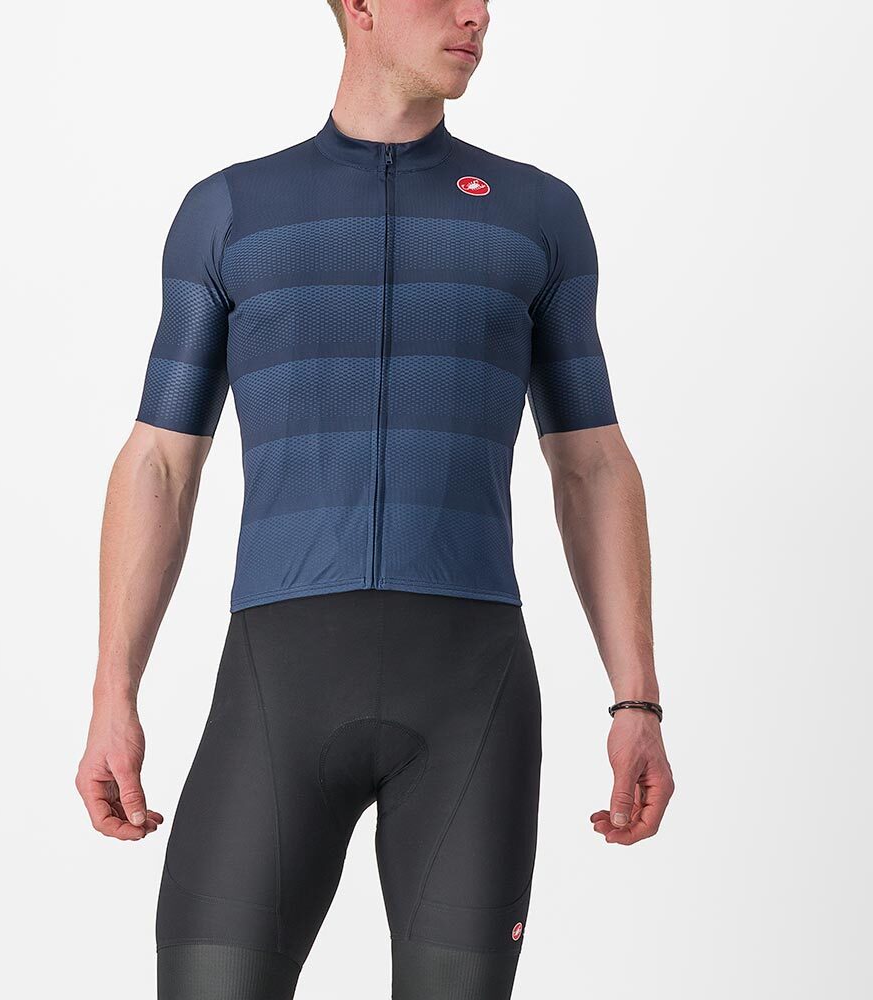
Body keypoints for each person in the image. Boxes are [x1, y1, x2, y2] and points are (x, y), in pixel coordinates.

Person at [76, 2, 675, 997]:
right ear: (357, 6)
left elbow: (593, 465)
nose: (477, 12)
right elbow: (160, 463)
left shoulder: (535, 215)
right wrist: (113, 693)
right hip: (279, 686)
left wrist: (637, 698)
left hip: (470, 696)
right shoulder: (231, 212)